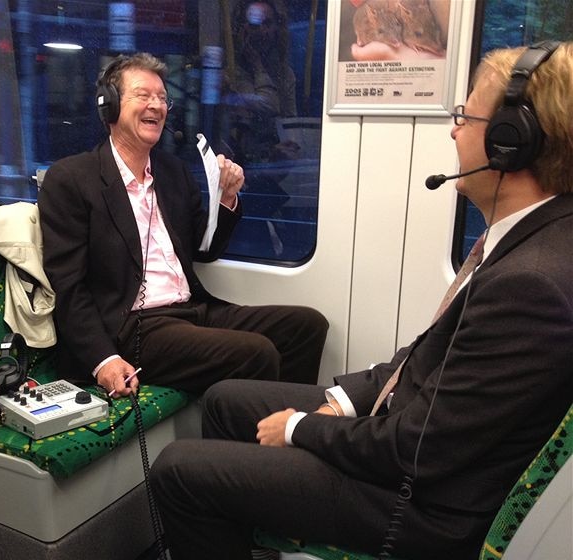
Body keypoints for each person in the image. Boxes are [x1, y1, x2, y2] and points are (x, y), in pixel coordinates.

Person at [150, 41, 573, 560]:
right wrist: (346, 400)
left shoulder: (532, 283)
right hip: (412, 444)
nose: (454, 129)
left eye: (466, 115)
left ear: (514, 142)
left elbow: (417, 447)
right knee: (224, 400)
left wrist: (303, 429)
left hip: (415, 505)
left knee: (177, 471)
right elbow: (425, 357)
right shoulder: (528, 240)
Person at [38, 52, 328, 397]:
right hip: (129, 326)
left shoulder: (172, 171)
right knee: (256, 353)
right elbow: (68, 285)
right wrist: (104, 360)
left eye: (162, 98)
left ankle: (288, 432)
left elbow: (205, 249)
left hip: (190, 310)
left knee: (306, 326)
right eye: (143, 95)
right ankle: (252, 444)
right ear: (110, 107)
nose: (157, 106)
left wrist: (226, 199)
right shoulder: (72, 179)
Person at [223, 0, 298, 163]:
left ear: (276, 29)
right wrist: (257, 66)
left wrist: (285, 147)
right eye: (255, 25)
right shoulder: (231, 73)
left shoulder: (285, 74)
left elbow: (290, 122)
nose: (262, 31)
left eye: (268, 24)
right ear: (242, 30)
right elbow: (268, 106)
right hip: (241, 162)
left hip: (278, 164)